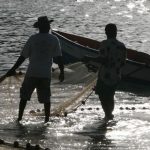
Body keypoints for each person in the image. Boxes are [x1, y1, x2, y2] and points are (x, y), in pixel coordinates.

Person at [6, 16, 64, 123]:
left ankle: (19, 119)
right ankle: (46, 120)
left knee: (24, 97)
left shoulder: (33, 38)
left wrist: (12, 69)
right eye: (48, 25)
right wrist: (62, 72)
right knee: (46, 99)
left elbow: (23, 57)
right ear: (46, 26)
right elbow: (59, 58)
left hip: (32, 72)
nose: (49, 26)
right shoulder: (53, 39)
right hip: (45, 74)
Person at [83, 23, 126, 121]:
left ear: (106, 32)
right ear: (116, 32)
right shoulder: (122, 46)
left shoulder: (105, 44)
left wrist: (88, 58)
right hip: (116, 75)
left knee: (102, 96)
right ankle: (109, 114)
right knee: (110, 95)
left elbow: (102, 59)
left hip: (105, 75)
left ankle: (108, 115)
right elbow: (123, 63)